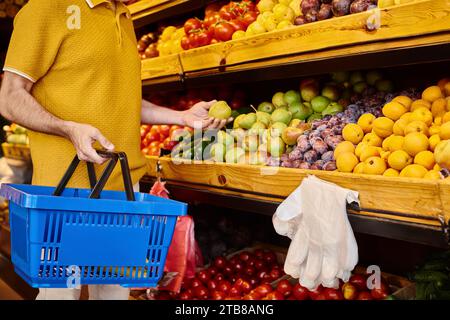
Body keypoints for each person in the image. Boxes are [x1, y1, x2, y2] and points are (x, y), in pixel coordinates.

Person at [0, 0, 230, 300]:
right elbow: (9, 97)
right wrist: (69, 128)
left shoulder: (123, 15)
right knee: (60, 295)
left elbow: (122, 103)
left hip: (123, 187)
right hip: (63, 191)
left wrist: (182, 117)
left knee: (114, 294)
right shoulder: (46, 8)